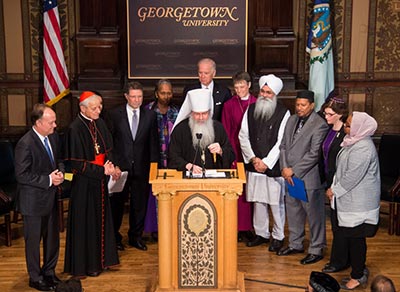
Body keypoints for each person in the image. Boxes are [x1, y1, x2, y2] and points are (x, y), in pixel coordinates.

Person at [64, 91, 120, 277]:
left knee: (101, 220)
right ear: (83, 108)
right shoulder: (74, 129)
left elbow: (108, 149)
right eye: (94, 107)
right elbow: (77, 164)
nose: (99, 110)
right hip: (84, 185)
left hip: (101, 182)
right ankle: (87, 266)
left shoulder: (100, 123)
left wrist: (112, 166)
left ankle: (104, 260)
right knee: (86, 224)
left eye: (100, 106)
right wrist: (102, 170)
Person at [327, 112, 380, 290]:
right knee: (351, 237)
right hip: (350, 199)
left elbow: (352, 177)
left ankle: (357, 276)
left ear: (359, 127)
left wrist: (334, 190)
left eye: (349, 125)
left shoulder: (363, 147)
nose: (345, 127)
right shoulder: (354, 141)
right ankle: (358, 270)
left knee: (356, 239)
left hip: (358, 203)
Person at [15, 103, 64, 291]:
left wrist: (59, 172)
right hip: (33, 201)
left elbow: (58, 160)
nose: (55, 125)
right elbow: (21, 175)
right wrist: (48, 180)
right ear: (38, 122)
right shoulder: (25, 143)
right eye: (51, 122)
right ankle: (35, 278)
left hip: (51, 198)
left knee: (52, 239)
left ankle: (49, 273)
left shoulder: (53, 138)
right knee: (33, 242)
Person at [239, 74, 290, 252]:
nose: (265, 95)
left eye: (269, 92)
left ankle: (278, 236)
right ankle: (261, 233)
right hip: (254, 163)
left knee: (275, 203)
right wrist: (253, 159)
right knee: (258, 201)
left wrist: (266, 163)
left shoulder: (284, 113)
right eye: (263, 91)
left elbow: (281, 141)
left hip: (272, 166)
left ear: (275, 94)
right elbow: (243, 135)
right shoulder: (251, 109)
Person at [278, 90, 329, 265]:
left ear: (312, 105)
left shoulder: (319, 124)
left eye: (303, 105)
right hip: (290, 176)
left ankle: (316, 248)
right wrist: (285, 168)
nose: (299, 108)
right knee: (294, 212)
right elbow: (283, 146)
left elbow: (314, 154)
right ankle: (295, 243)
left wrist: (294, 171)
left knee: (314, 216)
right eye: (297, 104)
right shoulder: (292, 120)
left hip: (308, 178)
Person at [108, 81, 159, 251]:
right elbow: (110, 144)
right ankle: (114, 238)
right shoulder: (114, 115)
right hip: (119, 169)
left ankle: (135, 237)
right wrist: (113, 165)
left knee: (139, 205)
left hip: (142, 168)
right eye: (133, 97)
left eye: (140, 97)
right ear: (126, 96)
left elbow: (154, 143)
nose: (137, 100)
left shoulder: (150, 115)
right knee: (117, 205)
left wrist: (154, 168)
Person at [221, 71, 257, 242]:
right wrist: (230, 155)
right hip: (235, 151)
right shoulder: (229, 105)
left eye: (242, 87)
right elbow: (226, 131)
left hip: (253, 153)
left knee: (251, 191)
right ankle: (235, 227)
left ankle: (249, 227)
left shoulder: (257, 103)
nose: (239, 90)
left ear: (249, 85)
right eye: (236, 87)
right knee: (238, 191)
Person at [143, 79, 180, 238]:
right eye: (163, 93)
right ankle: (156, 229)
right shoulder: (147, 111)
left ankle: (171, 226)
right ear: (157, 93)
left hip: (172, 160)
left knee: (172, 193)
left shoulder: (177, 111)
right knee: (154, 195)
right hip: (153, 158)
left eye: (169, 93)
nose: (166, 96)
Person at [168, 88, 235, 172]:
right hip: (187, 181)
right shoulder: (180, 129)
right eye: (197, 114)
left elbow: (231, 155)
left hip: (215, 181)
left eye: (204, 113)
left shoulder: (218, 128)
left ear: (209, 112)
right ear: (191, 113)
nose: (200, 118)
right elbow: (172, 156)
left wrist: (221, 151)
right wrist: (187, 166)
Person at [319, 97, 349, 273]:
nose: (326, 116)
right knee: (335, 223)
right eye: (325, 113)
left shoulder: (346, 134)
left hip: (340, 184)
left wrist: (335, 186)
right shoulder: (329, 129)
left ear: (340, 114)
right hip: (329, 179)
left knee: (341, 223)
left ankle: (339, 261)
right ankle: (338, 257)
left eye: (330, 114)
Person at [174, 58, 232, 128]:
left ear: (214, 73)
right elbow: (185, 114)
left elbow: (227, 118)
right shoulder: (190, 90)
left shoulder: (224, 92)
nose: (202, 76)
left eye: (206, 73)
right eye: (200, 73)